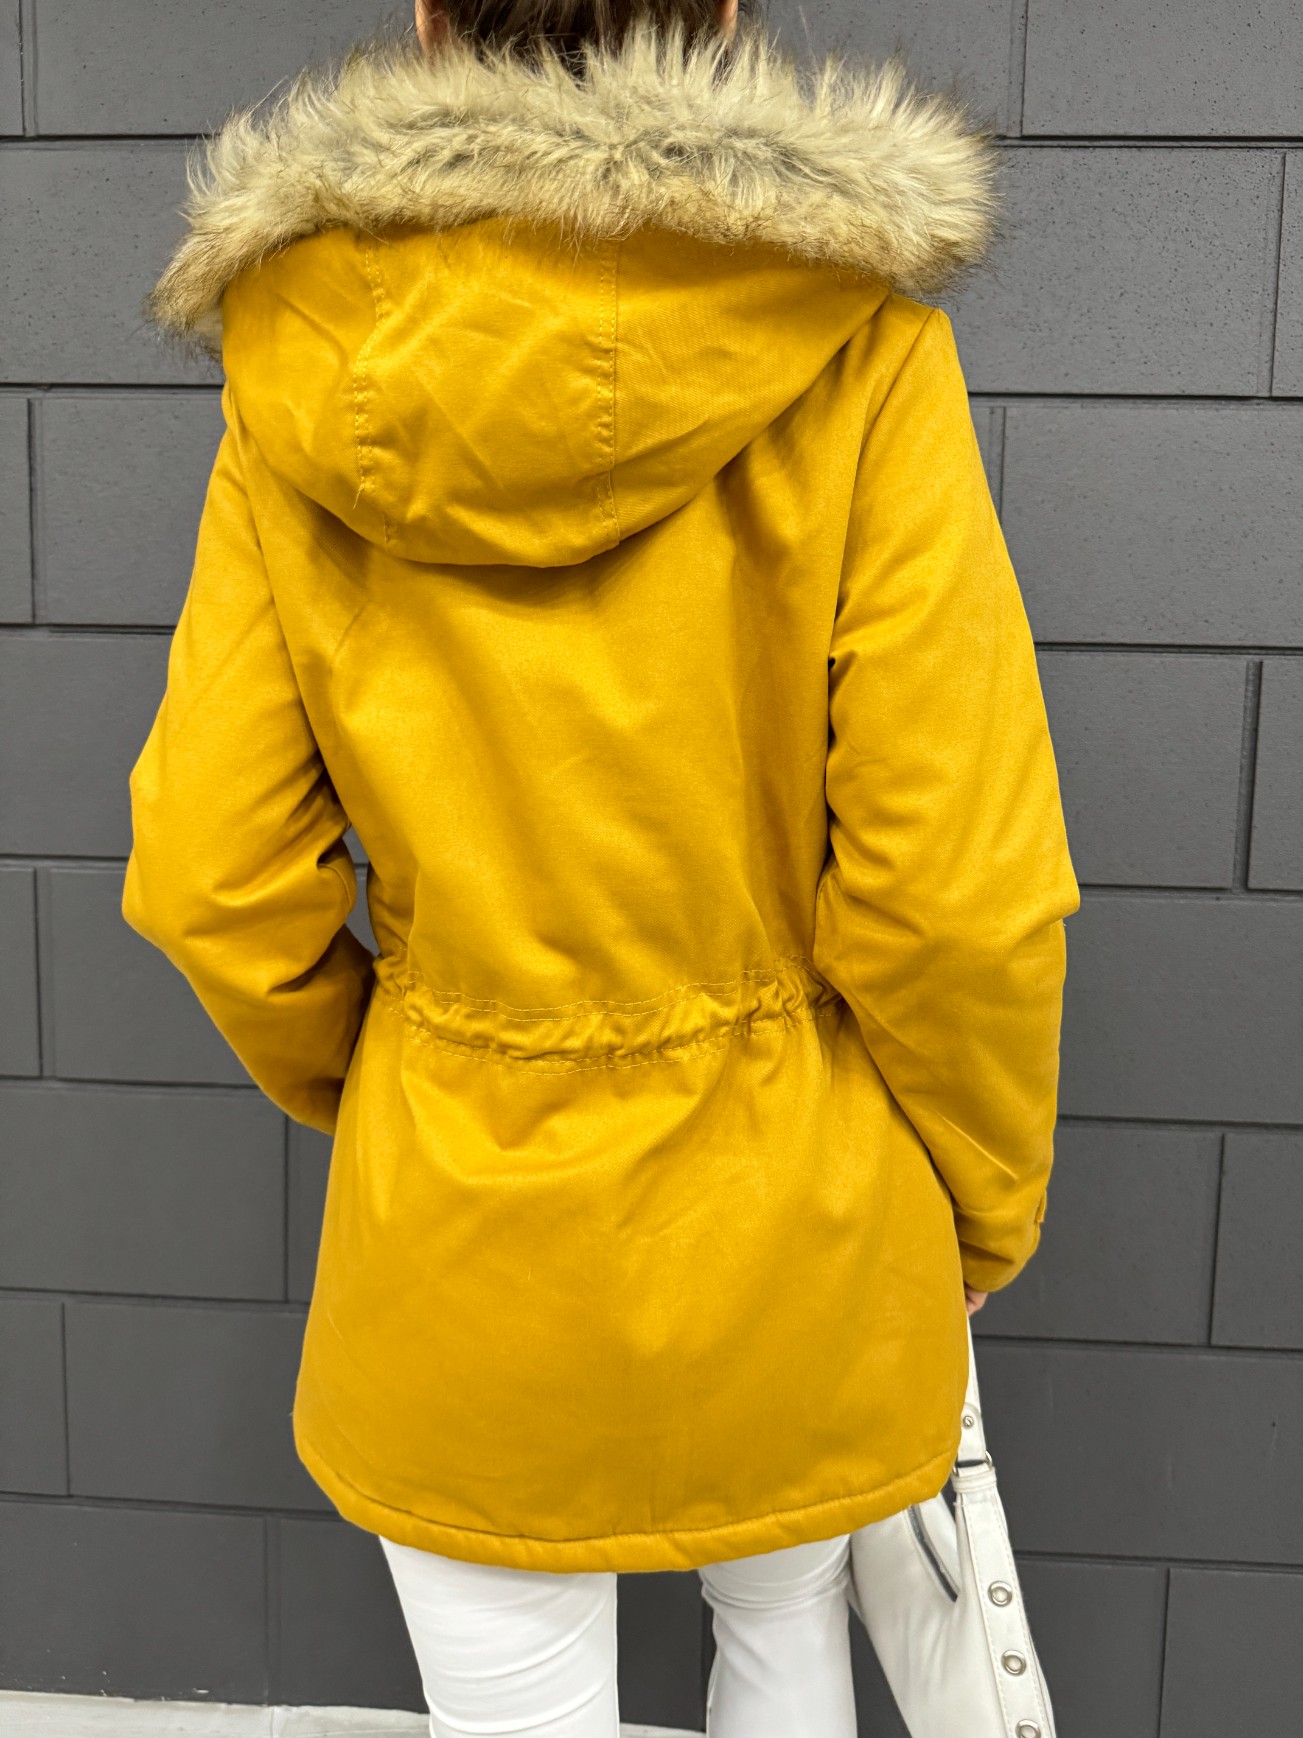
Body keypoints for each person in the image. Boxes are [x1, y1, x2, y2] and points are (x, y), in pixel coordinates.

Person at [123, 0, 1079, 1732]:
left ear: (430, 20)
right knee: (786, 1632)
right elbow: (958, 884)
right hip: (794, 1217)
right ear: (722, 17)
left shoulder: (299, 356)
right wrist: (986, 1189)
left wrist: (402, 1075)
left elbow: (211, 866)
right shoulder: (856, 343)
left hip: (463, 1234)